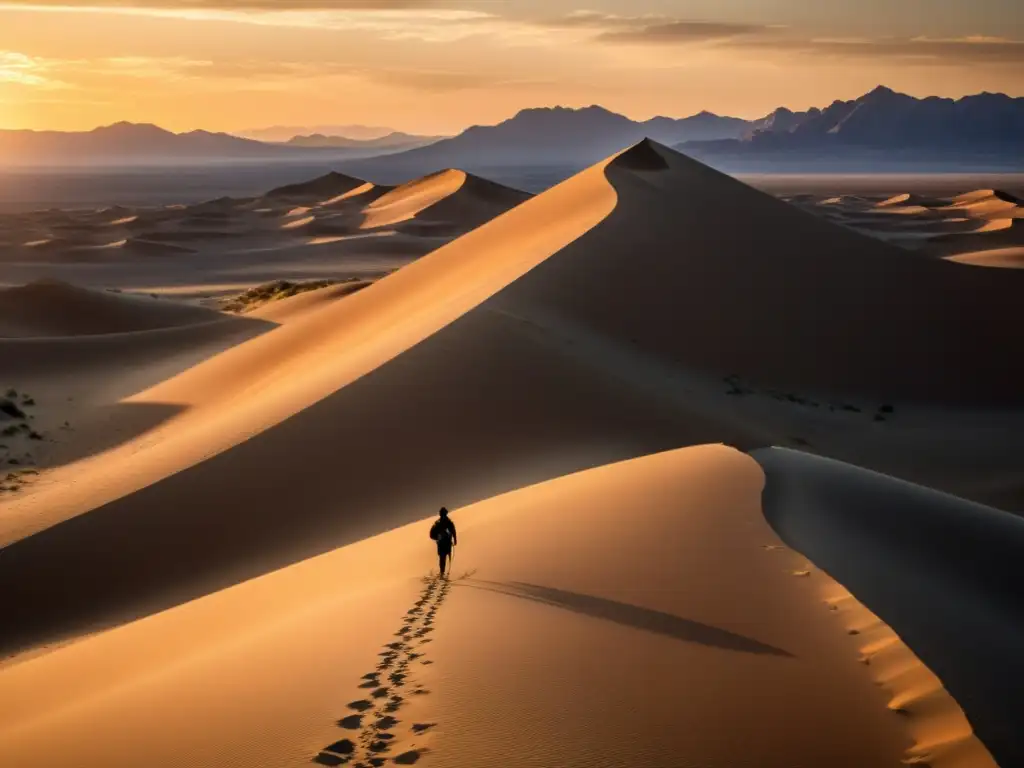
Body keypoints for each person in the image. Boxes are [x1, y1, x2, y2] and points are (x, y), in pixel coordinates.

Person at [429, 507, 457, 577]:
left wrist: (455, 539)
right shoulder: (442, 523)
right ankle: (443, 572)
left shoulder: (445, 522)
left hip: (445, 544)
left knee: (444, 558)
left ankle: (444, 572)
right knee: (443, 558)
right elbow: (432, 534)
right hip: (443, 544)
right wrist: (438, 538)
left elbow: (453, 531)